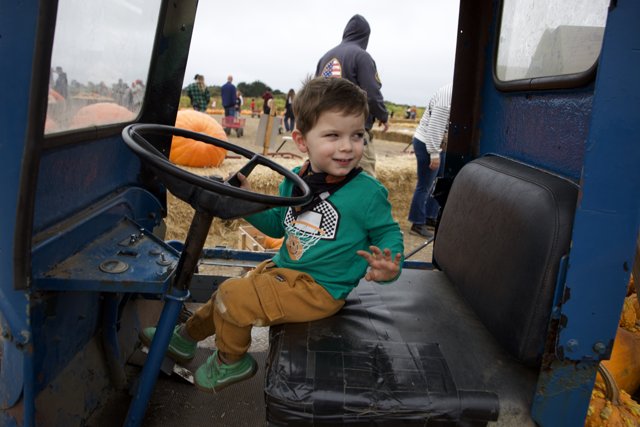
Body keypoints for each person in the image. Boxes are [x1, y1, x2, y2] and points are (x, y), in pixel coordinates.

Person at [140, 77, 404, 393]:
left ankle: (231, 361)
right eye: (333, 135)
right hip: (283, 271)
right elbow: (279, 223)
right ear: (302, 140)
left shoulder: (367, 193)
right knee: (222, 295)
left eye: (358, 135)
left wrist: (390, 266)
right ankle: (185, 339)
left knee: (232, 298)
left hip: (318, 289)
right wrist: (247, 200)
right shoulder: (298, 180)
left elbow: (389, 235)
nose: (348, 146)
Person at [315, 14, 389, 177]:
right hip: (352, 135)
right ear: (365, 36)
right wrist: (383, 116)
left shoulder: (325, 58)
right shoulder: (361, 56)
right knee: (365, 183)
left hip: (325, 133)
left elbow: (312, 95)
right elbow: (371, 93)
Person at [407, 83, 453, 238]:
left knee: (440, 181)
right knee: (425, 185)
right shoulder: (447, 97)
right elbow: (435, 127)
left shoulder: (454, 92)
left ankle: (430, 217)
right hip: (428, 143)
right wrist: (434, 153)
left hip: (440, 145)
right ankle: (417, 222)